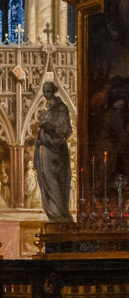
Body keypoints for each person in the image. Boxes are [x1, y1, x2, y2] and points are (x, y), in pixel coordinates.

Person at [34, 81, 73, 222]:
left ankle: (59, 213)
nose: (46, 94)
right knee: (45, 179)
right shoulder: (49, 109)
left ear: (54, 91)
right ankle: (53, 212)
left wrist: (50, 126)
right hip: (44, 150)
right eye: (44, 91)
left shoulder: (61, 108)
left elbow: (65, 129)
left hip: (54, 150)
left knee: (53, 180)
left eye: (48, 91)